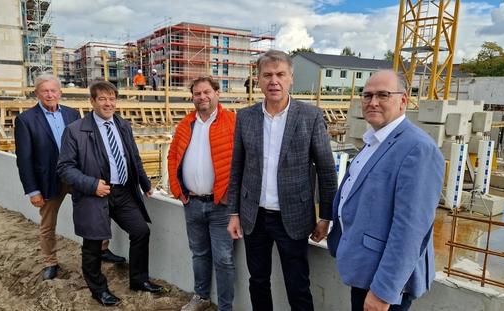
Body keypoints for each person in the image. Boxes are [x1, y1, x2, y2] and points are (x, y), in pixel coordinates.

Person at [226, 50, 337, 311]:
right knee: (258, 281)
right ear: (258, 80)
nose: (273, 81)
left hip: (294, 217)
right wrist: (233, 212)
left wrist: (326, 216)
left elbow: (326, 169)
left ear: (291, 79)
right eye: (267, 75)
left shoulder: (310, 117)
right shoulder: (245, 117)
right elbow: (237, 167)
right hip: (254, 216)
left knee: (298, 285)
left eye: (280, 74)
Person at [325, 70, 445, 311]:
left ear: (403, 100)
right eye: (367, 95)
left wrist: (383, 292)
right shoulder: (375, 140)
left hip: (384, 283)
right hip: (365, 269)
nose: (373, 102)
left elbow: (410, 230)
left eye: (383, 95)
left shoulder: (418, 149)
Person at [57, 81, 163, 307]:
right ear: (92, 101)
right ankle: (98, 290)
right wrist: (91, 184)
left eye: (112, 98)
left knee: (140, 231)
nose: (109, 103)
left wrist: (145, 184)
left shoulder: (122, 125)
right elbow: (64, 168)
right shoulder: (75, 131)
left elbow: (133, 157)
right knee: (94, 244)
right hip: (95, 195)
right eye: (103, 99)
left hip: (123, 192)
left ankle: (138, 280)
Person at [15, 74, 124, 281]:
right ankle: (50, 261)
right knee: (48, 224)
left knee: (97, 210)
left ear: (60, 92)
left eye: (53, 90)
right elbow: (24, 159)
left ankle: (102, 249)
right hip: (47, 180)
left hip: (76, 176)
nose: (49, 94)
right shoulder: (25, 120)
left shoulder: (72, 114)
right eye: (45, 91)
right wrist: (33, 190)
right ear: (37, 93)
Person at [168, 76, 236, 311]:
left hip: (221, 206)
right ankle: (201, 297)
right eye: (197, 94)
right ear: (193, 97)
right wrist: (178, 191)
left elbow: (244, 161)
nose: (202, 97)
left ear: (217, 93)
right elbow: (172, 156)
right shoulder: (186, 123)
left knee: (224, 259)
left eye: (207, 92)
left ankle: (225, 307)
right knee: (199, 254)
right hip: (192, 203)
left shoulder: (232, 121)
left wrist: (231, 195)